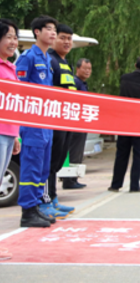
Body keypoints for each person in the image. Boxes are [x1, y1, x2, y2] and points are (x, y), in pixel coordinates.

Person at [15, 15, 59, 227]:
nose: (52, 33)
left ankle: (37, 206)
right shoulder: (28, 57)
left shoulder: (47, 59)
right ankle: (27, 211)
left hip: (45, 121)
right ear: (37, 32)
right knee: (31, 167)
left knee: (42, 168)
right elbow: (17, 91)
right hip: (32, 123)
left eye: (54, 30)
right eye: (48, 29)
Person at [40, 24, 78, 216]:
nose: (66, 42)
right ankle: (45, 202)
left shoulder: (65, 63)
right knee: (50, 162)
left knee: (58, 161)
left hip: (66, 118)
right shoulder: (50, 60)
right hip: (54, 119)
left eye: (69, 39)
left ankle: (53, 198)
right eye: (62, 38)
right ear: (53, 39)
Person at [108, 56, 140, 193]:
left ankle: (115, 185)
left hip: (124, 122)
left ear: (135, 65)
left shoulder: (124, 78)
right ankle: (134, 185)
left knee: (121, 153)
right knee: (138, 154)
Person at [0, 19, 21, 259]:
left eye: (15, 37)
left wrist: (15, 134)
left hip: (8, 132)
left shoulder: (10, 67)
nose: (13, 41)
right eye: (8, 36)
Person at [62, 58, 92, 189]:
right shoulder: (75, 82)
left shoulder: (83, 83)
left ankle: (73, 179)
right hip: (75, 123)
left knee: (78, 151)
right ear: (78, 69)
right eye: (85, 68)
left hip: (81, 122)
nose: (87, 71)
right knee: (74, 151)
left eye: (89, 69)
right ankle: (69, 180)